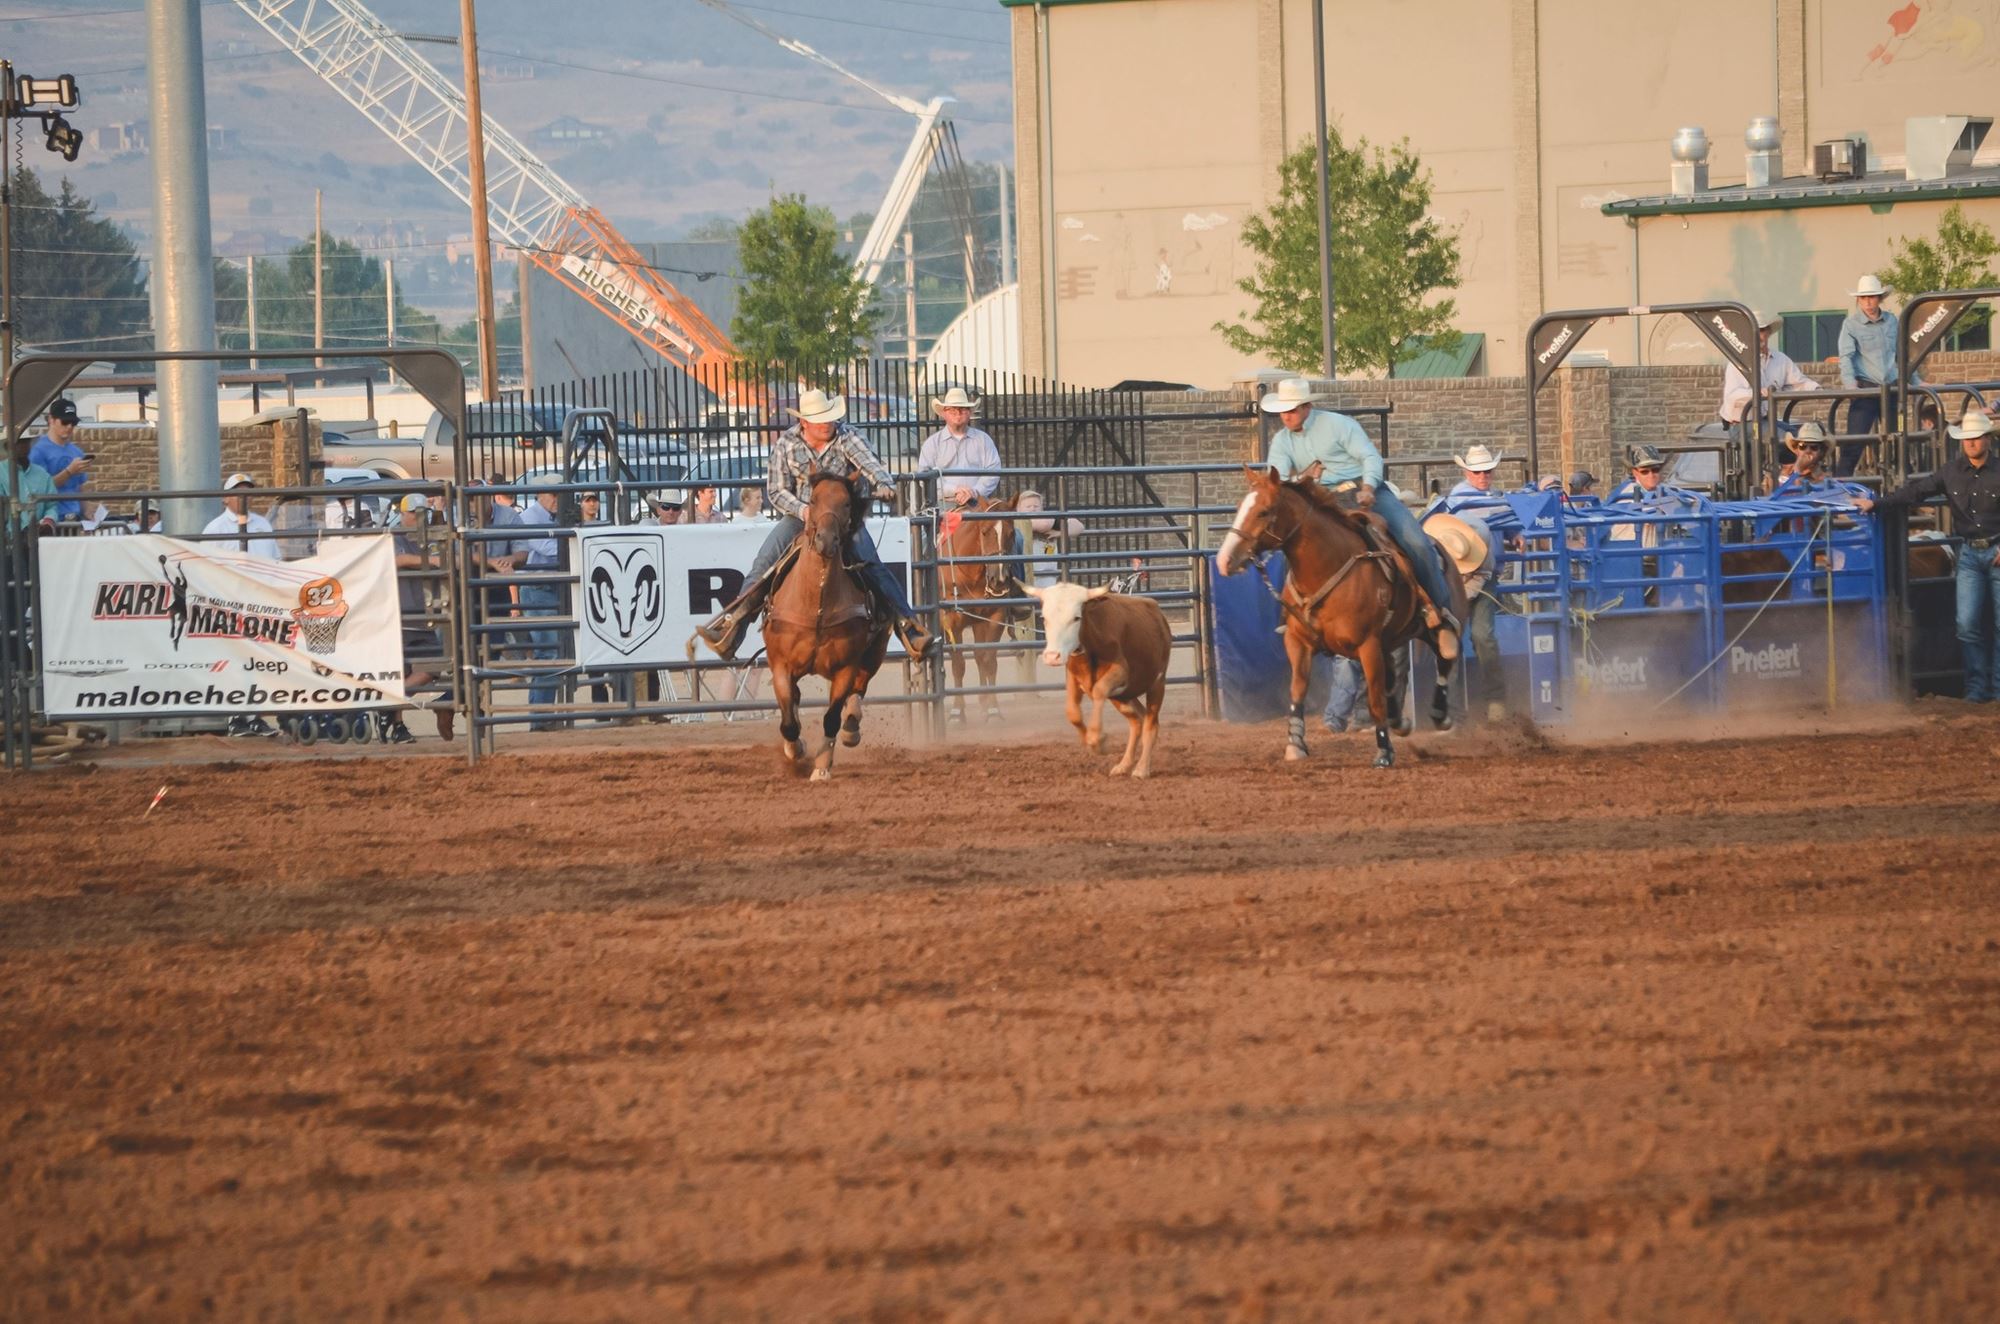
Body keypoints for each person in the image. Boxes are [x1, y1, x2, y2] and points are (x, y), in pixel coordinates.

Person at [694, 388, 934, 660]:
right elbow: (776, 490)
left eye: (829, 418)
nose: (827, 423)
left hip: (842, 521)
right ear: (804, 422)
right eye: (820, 419)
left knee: (872, 565)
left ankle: (909, 629)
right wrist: (803, 510)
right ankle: (732, 629)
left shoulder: (847, 436)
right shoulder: (786, 443)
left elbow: (870, 464)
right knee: (764, 564)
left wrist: (883, 483)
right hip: (801, 517)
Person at [1261, 377, 1460, 644]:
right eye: (1282, 411)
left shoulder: (1338, 425)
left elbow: (1369, 457)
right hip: (1323, 499)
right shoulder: (1281, 442)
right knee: (1293, 545)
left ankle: (1441, 613)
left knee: (1416, 542)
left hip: (1364, 491)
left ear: (1307, 407)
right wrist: (1304, 478)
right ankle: (1295, 615)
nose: (1286, 416)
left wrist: (1367, 486)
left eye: (1292, 409)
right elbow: (1278, 483)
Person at [1855, 407, 2000, 701]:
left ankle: (1993, 689)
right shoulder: (1950, 472)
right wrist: (1878, 503)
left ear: (1987, 439)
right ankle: (1977, 689)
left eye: (1976, 437)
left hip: (1994, 549)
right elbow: (1915, 492)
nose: (1970, 442)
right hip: (1971, 552)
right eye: (1967, 437)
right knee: (1967, 624)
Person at [1426, 512, 1506, 722]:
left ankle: (1495, 698)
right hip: (1446, 588)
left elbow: (1475, 584)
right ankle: (1451, 711)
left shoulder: (1483, 550)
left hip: (1478, 585)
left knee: (1482, 636)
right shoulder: (1434, 550)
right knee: (1448, 643)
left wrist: (1452, 604)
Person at [388, 494, 454, 742]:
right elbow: (397, 560)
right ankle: (396, 723)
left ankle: (390, 697)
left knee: (434, 666)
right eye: (413, 514)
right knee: (402, 669)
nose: (417, 519)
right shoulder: (394, 536)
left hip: (422, 614)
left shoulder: (428, 538)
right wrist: (431, 560)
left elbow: (444, 542)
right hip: (401, 613)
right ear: (402, 514)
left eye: (422, 515)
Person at [1838, 274, 1914, 477]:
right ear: (1858, 300)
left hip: (1891, 388)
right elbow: (1846, 357)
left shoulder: (1892, 321)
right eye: (1864, 297)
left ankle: (1907, 488)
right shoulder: (1851, 324)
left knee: (1899, 440)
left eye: (1872, 297)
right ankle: (1839, 490)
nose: (1868, 301)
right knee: (1854, 442)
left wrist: (1915, 381)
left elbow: (1902, 355)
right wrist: (1850, 384)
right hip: (1865, 389)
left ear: (1880, 298)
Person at [1720, 310, 1818, 443]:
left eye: (1760, 330)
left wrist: (1817, 389)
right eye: (1752, 331)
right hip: (1741, 425)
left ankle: (1794, 462)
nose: (1757, 335)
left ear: (1768, 332)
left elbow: (1799, 383)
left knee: (1807, 437)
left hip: (1765, 421)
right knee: (1785, 440)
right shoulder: (1738, 362)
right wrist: (1759, 393)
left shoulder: (1780, 359)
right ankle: (1790, 461)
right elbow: (1733, 395)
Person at [514, 487, 565, 729]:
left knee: (549, 653)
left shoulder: (546, 516)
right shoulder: (530, 518)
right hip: (538, 587)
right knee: (548, 653)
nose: (557, 499)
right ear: (541, 495)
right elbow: (546, 548)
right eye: (554, 495)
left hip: (547, 587)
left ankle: (541, 717)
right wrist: (572, 542)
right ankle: (541, 719)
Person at [916, 387, 1002, 508]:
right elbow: (924, 477)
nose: (958, 413)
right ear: (944, 414)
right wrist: (954, 490)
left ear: (969, 413)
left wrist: (975, 491)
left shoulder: (984, 440)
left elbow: (994, 470)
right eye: (952, 410)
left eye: (963, 409)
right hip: (943, 504)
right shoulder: (932, 443)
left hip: (978, 503)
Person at [27, 398, 88, 522]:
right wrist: (69, 471)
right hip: (50, 520)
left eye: (73, 422)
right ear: (51, 420)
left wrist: (87, 511)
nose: (69, 427)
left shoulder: (76, 452)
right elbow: (40, 489)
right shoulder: (38, 451)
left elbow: (80, 487)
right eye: (65, 422)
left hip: (74, 517)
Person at [202, 473, 281, 560]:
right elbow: (205, 564)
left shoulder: (263, 523)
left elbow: (276, 558)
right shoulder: (215, 529)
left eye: (248, 492)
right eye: (238, 492)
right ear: (225, 498)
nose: (244, 496)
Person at [1606, 445, 1703, 511]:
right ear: (1635, 473)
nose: (1651, 475)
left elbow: (1692, 503)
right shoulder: (1626, 494)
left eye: (1655, 470)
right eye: (1645, 472)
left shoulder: (1666, 490)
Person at [1437, 443, 1505, 513]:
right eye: (1476, 472)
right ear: (1467, 473)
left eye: (1487, 471)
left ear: (1493, 472)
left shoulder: (1493, 490)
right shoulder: (1462, 491)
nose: (1482, 476)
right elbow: (1485, 507)